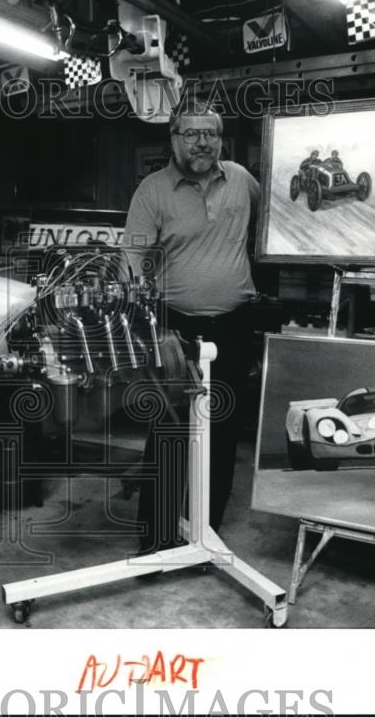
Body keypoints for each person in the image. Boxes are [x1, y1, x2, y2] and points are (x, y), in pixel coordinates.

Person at [123, 98, 261, 556]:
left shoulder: (242, 181)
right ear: (174, 139)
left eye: (211, 133)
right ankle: (157, 539)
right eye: (191, 133)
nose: (202, 142)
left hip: (235, 328)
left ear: (221, 138)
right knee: (168, 432)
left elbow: (264, 232)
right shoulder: (152, 191)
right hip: (174, 329)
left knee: (221, 433)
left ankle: (207, 533)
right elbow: (133, 265)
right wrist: (155, 329)